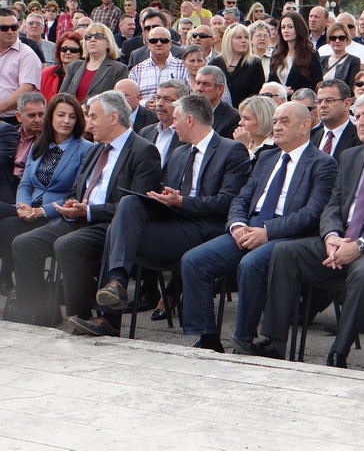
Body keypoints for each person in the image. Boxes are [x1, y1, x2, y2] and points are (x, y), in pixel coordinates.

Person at [252, 90, 364, 367]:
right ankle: (274, 341)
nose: (360, 122)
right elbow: (332, 206)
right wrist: (332, 236)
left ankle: (340, 350)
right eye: (357, 116)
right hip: (344, 237)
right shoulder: (350, 156)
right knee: (284, 252)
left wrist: (359, 245)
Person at [80, 94, 252, 338]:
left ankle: (109, 317)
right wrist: (162, 197)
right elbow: (166, 192)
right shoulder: (180, 153)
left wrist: (183, 201)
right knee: (128, 206)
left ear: (190, 120)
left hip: (205, 230)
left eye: (176, 119)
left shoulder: (231, 150)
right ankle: (116, 283)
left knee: (117, 230)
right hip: (175, 225)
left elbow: (228, 202)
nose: (172, 125)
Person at [180, 101, 337, 354]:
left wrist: (268, 232)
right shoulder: (267, 157)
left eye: (284, 121)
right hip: (248, 228)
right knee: (194, 260)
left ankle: (243, 339)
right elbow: (242, 198)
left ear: (305, 126)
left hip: (284, 235)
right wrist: (238, 225)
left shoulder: (322, 163)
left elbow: (312, 213)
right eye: (275, 121)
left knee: (251, 264)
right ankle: (207, 337)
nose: (277, 127)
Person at [12, 91, 161, 326]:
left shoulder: (143, 151)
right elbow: (76, 189)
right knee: (23, 243)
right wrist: (72, 203)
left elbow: (136, 206)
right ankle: (38, 315)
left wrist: (89, 211)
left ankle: (79, 316)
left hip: (110, 225)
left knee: (67, 245)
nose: (88, 124)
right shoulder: (96, 149)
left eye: (92, 117)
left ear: (113, 118)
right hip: (78, 218)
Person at [0, 94, 93, 293]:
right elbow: (25, 184)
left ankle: (31, 297)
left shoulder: (86, 149)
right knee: (3, 227)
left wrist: (42, 211)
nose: (66, 121)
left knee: (13, 234)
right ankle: (24, 289)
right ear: (51, 117)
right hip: (31, 210)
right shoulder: (40, 144)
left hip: (58, 215)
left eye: (72, 116)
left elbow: (76, 194)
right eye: (61, 115)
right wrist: (23, 206)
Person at [60, 23, 128, 103]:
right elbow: (62, 96)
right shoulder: (74, 66)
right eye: (88, 37)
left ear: (108, 43)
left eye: (98, 36)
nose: (92, 39)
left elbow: (118, 102)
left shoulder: (119, 69)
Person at [0, 8, 41, 124]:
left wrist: (0, 107)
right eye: (4, 28)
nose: (10, 31)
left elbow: (26, 90)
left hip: (12, 121)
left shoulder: (27, 54)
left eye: (14, 27)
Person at [128, 26, 189, 103]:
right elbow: (131, 99)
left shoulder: (184, 68)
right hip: (145, 114)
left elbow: (188, 98)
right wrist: (144, 104)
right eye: (154, 41)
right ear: (148, 44)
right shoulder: (137, 71)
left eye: (164, 40)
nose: (159, 44)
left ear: (170, 43)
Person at [209, 24, 265, 108]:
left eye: (246, 37)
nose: (244, 41)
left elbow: (257, 94)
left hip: (245, 113)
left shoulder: (254, 63)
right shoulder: (216, 63)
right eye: (239, 37)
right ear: (228, 40)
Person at [267, 12, 323, 96]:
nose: (285, 30)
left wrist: (293, 92)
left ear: (298, 28)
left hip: (300, 103)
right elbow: (271, 81)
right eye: (283, 27)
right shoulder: (276, 54)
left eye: (290, 27)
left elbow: (316, 85)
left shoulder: (311, 55)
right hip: (278, 103)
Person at [139, 79, 190, 167]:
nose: (159, 103)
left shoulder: (188, 135)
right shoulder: (145, 133)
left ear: (181, 103)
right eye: (157, 98)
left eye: (167, 99)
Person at [309, 79, 362, 163]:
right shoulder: (309, 137)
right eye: (319, 101)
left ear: (346, 104)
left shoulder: (360, 138)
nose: (322, 105)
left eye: (329, 100)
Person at [194, 65, 239, 139]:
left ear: (220, 89)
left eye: (206, 84)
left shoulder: (233, 117)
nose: (199, 88)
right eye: (198, 83)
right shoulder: (188, 112)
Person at [233, 94, 278, 164]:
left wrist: (244, 147)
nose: (240, 123)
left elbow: (251, 171)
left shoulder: (275, 147)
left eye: (247, 118)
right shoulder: (241, 140)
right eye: (241, 118)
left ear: (263, 120)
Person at [41, 33, 83, 102]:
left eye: (73, 50)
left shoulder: (85, 74)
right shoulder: (46, 73)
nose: (68, 52)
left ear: (81, 53)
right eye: (64, 49)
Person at [13, 93, 46, 179]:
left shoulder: (49, 139)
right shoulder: (8, 134)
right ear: (19, 116)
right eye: (32, 115)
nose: (38, 120)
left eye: (41, 115)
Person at [320, 22, 360, 92]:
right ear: (329, 40)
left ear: (347, 40)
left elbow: (352, 86)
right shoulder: (321, 60)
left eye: (341, 38)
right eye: (333, 38)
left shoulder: (354, 61)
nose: (337, 41)